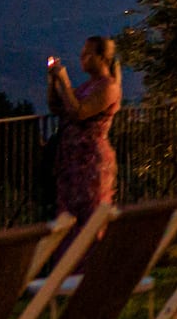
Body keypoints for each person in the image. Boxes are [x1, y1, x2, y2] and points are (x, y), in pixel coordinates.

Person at [47, 35, 123, 225]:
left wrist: (64, 80)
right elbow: (57, 107)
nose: (82, 58)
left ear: (102, 58)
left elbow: (78, 112)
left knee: (88, 217)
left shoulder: (108, 87)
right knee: (68, 218)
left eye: (88, 55)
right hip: (71, 164)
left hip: (90, 165)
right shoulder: (88, 86)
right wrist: (53, 81)